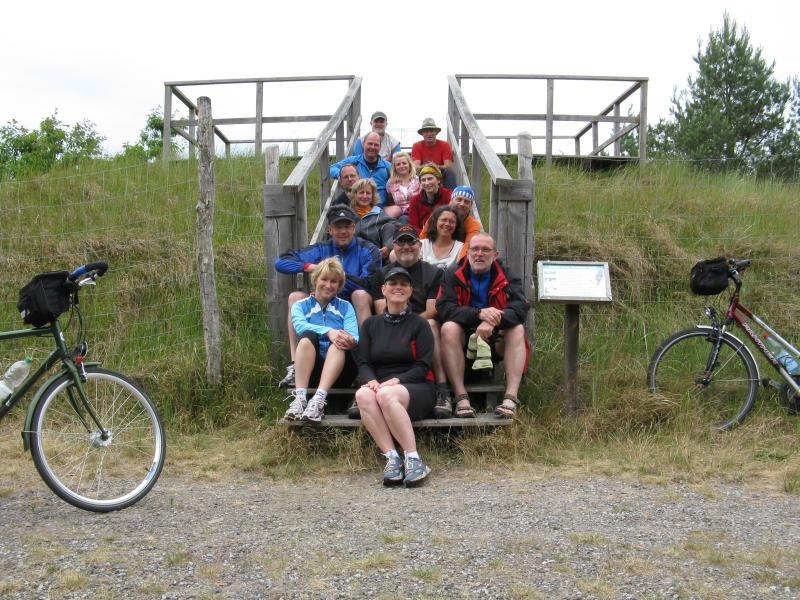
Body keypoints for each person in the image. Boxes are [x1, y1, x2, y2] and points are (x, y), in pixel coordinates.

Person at [274, 205, 380, 388]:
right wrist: (314, 268)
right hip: (323, 301)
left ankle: (365, 366)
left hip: (351, 304)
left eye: (347, 226)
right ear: (330, 230)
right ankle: (294, 364)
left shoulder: (368, 250)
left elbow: (370, 283)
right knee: (295, 297)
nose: (343, 231)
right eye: (338, 227)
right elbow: (281, 262)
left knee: (361, 295)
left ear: (354, 228)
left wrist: (337, 276)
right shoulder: (321, 249)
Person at [357, 224, 450, 418]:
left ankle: (442, 389)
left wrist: (411, 324)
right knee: (372, 327)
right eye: (401, 242)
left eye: (411, 241)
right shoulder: (382, 274)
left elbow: (432, 310)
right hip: (390, 321)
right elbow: (381, 309)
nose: (406, 246)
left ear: (420, 245)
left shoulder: (434, 273)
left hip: (420, 324)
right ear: (394, 246)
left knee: (431, 325)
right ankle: (367, 383)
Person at [355, 266, 436, 486]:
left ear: (410, 291)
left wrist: (397, 380)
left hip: (416, 386)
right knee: (362, 395)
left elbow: (423, 365)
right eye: (393, 283)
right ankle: (392, 458)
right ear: (383, 289)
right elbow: (363, 362)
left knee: (386, 395)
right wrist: (371, 380)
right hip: (381, 385)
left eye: (403, 284)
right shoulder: (371, 324)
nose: (398, 287)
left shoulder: (420, 324)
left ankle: (414, 459)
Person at [436, 233, 530, 419]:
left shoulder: (507, 274)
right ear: (468, 252)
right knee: (448, 328)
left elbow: (521, 308)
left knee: (517, 329)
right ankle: (461, 398)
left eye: (486, 250)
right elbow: (444, 308)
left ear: (495, 255)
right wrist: (478, 314)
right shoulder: (453, 273)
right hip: (464, 342)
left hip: (495, 338)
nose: (479, 254)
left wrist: (492, 320)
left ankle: (510, 399)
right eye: (475, 249)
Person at [284, 258, 359, 422]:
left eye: (334, 281)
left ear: (339, 285)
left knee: (339, 342)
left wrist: (350, 340)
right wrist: (329, 331)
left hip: (341, 371)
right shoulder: (300, 305)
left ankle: (318, 400)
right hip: (311, 370)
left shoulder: (346, 307)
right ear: (315, 280)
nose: (328, 285)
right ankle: (300, 399)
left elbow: (354, 336)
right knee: (307, 337)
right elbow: (300, 326)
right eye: (324, 279)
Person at [420, 185, 481, 262]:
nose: (462, 204)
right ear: (451, 201)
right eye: (459, 199)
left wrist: (457, 263)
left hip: (456, 258)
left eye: (466, 201)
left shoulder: (473, 224)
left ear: (470, 206)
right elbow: (423, 237)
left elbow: (469, 245)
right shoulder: (436, 216)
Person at [330, 132, 392, 204]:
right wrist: (343, 175)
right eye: (370, 143)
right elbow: (332, 168)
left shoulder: (388, 167)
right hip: (356, 207)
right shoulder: (353, 161)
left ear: (380, 147)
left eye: (376, 145)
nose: (372, 147)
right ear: (363, 144)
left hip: (380, 208)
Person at [351, 178, 396, 260]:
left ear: (372, 196)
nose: (365, 196)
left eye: (368, 193)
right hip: (353, 255)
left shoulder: (379, 213)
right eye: (361, 192)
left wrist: (388, 246)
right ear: (355, 194)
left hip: (377, 256)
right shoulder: (348, 213)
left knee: (389, 226)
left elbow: (397, 227)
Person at [411, 118, 457, 189]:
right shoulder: (416, 145)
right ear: (422, 134)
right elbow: (416, 166)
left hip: (440, 173)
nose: (429, 134)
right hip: (423, 173)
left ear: (436, 132)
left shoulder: (445, 145)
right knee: (414, 174)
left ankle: (451, 194)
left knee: (449, 172)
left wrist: (436, 166)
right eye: (426, 131)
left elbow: (448, 165)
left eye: (432, 131)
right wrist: (428, 166)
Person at [406, 164, 452, 232]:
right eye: (423, 180)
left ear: (438, 180)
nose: (426, 183)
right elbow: (413, 226)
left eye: (430, 179)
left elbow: (452, 220)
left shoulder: (448, 195)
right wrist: (426, 235)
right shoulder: (415, 200)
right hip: (423, 235)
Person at [420, 205, 464, 270]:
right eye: (444, 220)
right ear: (435, 222)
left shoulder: (461, 248)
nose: (447, 224)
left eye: (452, 221)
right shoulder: (422, 245)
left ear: (456, 225)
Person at [384, 152, 420, 219]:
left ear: (409, 164)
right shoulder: (390, 183)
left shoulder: (418, 180)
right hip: (399, 215)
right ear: (395, 167)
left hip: (417, 213)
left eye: (404, 163)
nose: (401, 166)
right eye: (398, 164)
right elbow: (390, 202)